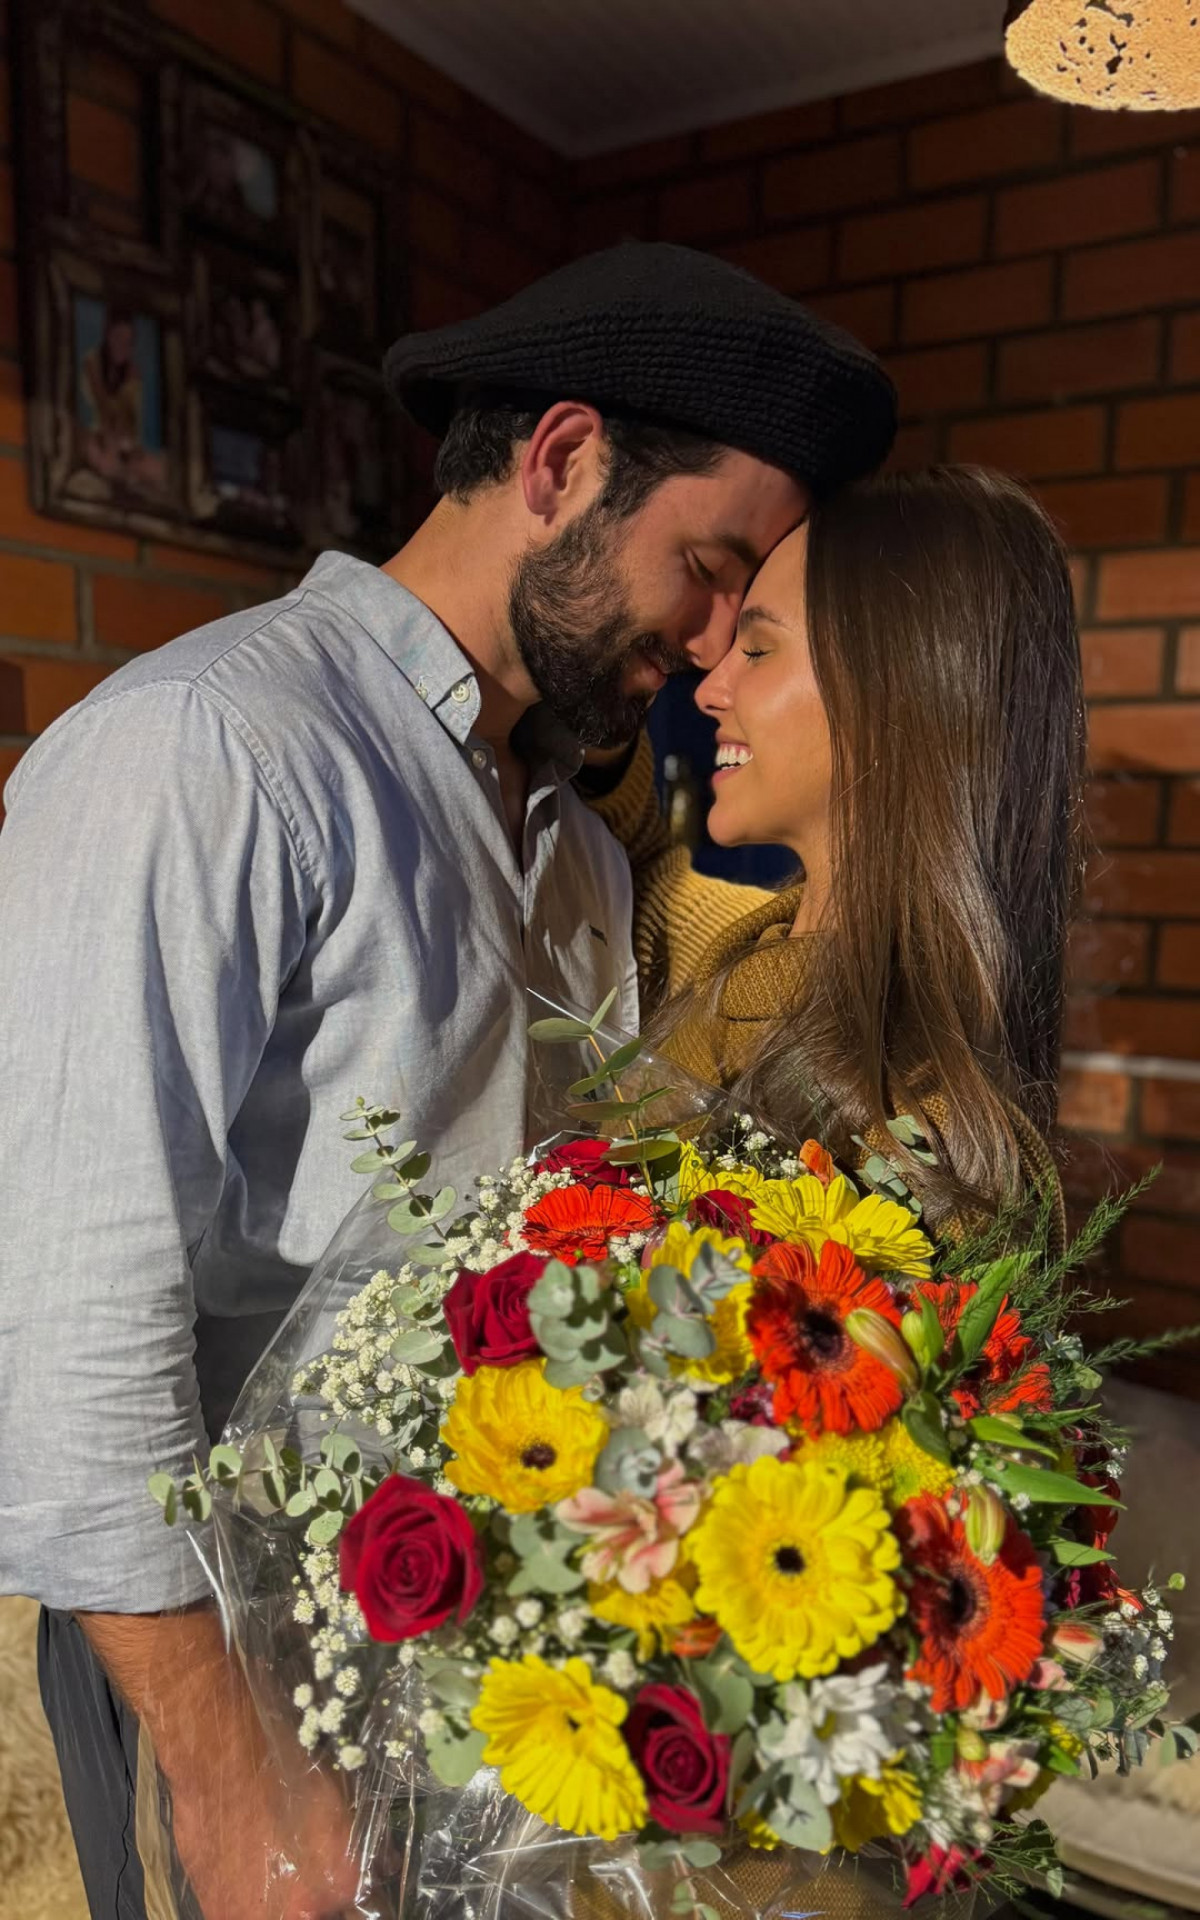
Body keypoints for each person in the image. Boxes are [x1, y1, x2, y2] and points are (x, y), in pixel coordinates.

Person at [0, 241, 895, 1920]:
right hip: (213, 1680)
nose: (714, 644)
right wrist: (231, 1778)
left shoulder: (579, 853)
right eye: (708, 570)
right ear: (559, 463)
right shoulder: (208, 746)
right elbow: (64, 1321)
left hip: (469, 1668)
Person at [591, 463, 1085, 1238]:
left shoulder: (919, 1132)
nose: (710, 689)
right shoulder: (750, 957)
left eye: (758, 651)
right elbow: (639, 867)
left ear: (894, 691)